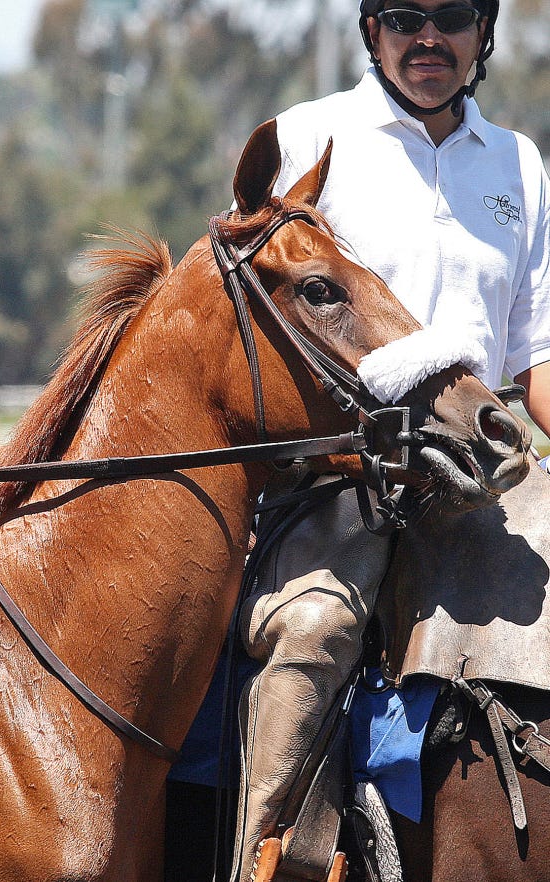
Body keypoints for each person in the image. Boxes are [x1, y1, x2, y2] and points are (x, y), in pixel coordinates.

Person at [165, 2, 550, 880]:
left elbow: (536, 358)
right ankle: (262, 859)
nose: (429, 39)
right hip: (342, 476)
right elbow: (239, 317)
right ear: (372, 31)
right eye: (406, 17)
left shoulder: (519, 164)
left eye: (452, 16)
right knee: (317, 628)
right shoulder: (307, 137)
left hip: (489, 470)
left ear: (483, 32)